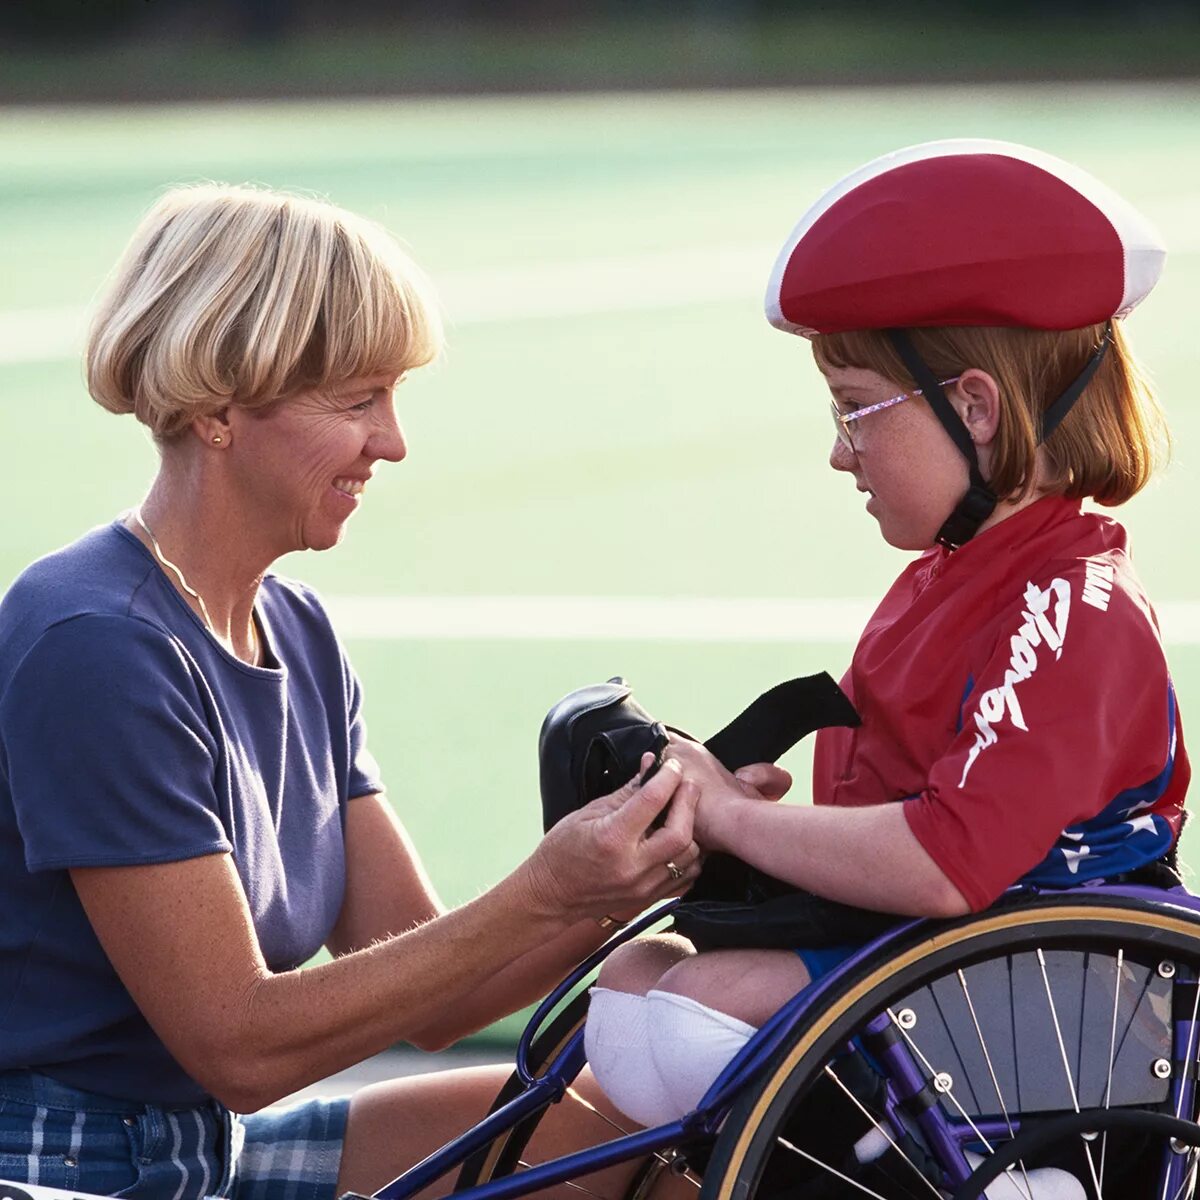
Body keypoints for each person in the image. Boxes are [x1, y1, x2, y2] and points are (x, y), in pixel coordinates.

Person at [0, 183, 706, 1200]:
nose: (394, 441)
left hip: (205, 1157)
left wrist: (657, 859)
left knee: (650, 1135)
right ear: (216, 410)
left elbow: (433, 990)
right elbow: (237, 1047)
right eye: (357, 400)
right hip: (63, 1171)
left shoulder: (297, 630)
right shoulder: (93, 642)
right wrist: (548, 885)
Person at [583, 139, 1190, 1143]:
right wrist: (746, 813)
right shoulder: (947, 579)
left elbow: (946, 861)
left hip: (1060, 1007)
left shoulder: (1070, 602)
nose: (837, 450)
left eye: (857, 409)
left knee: (693, 1016)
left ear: (975, 410)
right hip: (959, 966)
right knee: (632, 989)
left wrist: (735, 821)